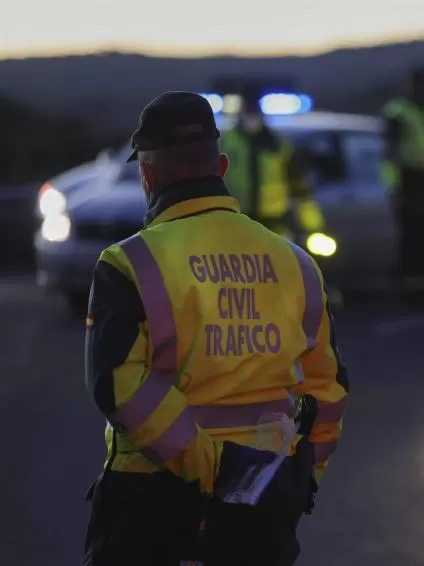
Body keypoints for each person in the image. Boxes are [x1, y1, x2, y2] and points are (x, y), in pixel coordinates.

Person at [82, 91, 349, 566]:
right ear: (222, 167)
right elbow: (327, 389)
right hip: (265, 497)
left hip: (152, 502)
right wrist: (303, 476)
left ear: (147, 177)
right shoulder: (297, 264)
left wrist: (211, 467)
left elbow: (119, 386)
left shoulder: (129, 263)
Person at [218, 87, 324, 242]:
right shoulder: (225, 142)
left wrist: (312, 227)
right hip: (236, 220)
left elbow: (299, 187)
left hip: (274, 222)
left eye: (254, 110)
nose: (251, 116)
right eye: (248, 110)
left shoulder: (279, 144)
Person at [381, 67, 424, 309]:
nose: (420, 89)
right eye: (417, 85)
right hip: (409, 182)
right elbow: (388, 155)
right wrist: (395, 188)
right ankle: (410, 292)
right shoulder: (398, 114)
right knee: (413, 239)